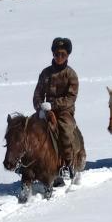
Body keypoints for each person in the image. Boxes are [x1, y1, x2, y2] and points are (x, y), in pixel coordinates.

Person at [32, 37, 80, 186]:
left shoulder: (71, 75)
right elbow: (37, 94)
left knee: (65, 131)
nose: (59, 57)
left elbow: (71, 98)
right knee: (29, 129)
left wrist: (53, 105)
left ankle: (67, 164)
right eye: (56, 54)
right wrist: (40, 107)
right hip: (45, 110)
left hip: (64, 111)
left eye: (63, 54)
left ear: (67, 56)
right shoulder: (45, 73)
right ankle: (28, 164)